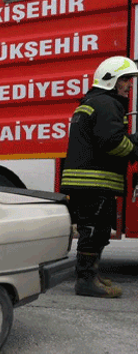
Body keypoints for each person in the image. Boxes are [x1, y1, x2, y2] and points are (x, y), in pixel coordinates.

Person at [61, 55, 138, 298]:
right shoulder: (107, 103)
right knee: (94, 230)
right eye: (125, 79)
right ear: (111, 80)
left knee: (99, 230)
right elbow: (112, 143)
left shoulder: (94, 102)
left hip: (91, 183)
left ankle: (92, 275)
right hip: (94, 183)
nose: (129, 84)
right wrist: (136, 147)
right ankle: (85, 281)